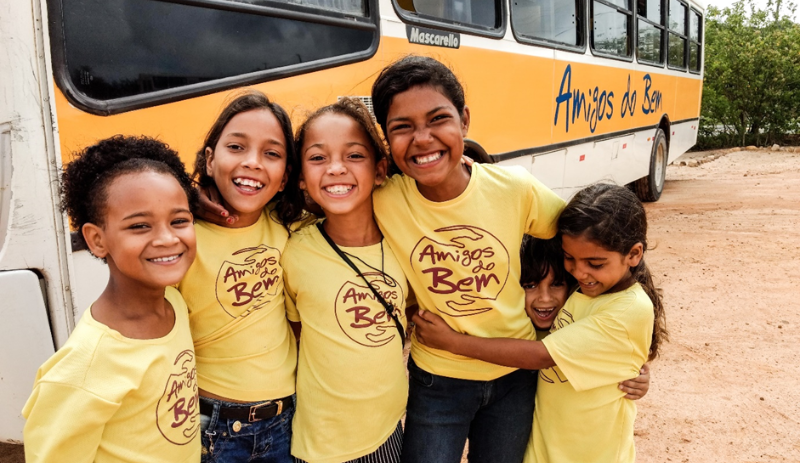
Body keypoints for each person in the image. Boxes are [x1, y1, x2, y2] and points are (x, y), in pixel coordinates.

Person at [369, 55, 566, 463]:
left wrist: (623, 350)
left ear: (464, 121)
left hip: (515, 377)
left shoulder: (514, 188)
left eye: (437, 119)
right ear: (387, 140)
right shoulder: (382, 199)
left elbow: (594, 242)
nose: (422, 139)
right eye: (402, 127)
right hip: (437, 380)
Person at [412, 183, 668, 463]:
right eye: (570, 259)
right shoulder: (585, 290)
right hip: (546, 448)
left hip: (590, 453)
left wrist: (451, 341)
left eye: (594, 263)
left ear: (634, 254)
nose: (580, 272)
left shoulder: (627, 309)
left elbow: (541, 355)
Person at [23, 135, 200, 462]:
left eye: (179, 221)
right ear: (96, 239)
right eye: (139, 226)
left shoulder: (173, 303)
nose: (166, 238)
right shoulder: (85, 366)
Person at [178, 90, 305, 463]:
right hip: (211, 427)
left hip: (285, 420)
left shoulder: (290, 230)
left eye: (272, 153)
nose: (252, 163)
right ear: (209, 158)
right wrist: (185, 189)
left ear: (284, 178)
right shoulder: (181, 236)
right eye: (236, 147)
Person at [282, 98, 408, 463]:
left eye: (354, 156)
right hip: (320, 445)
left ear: (380, 168)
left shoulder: (404, 241)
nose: (336, 169)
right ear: (301, 177)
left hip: (386, 432)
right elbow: (296, 331)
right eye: (318, 158)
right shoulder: (293, 250)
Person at [519, 235, 650, 399]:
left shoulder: (582, 321)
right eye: (530, 286)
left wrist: (638, 377)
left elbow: (621, 363)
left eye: (557, 284)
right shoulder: (511, 326)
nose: (545, 298)